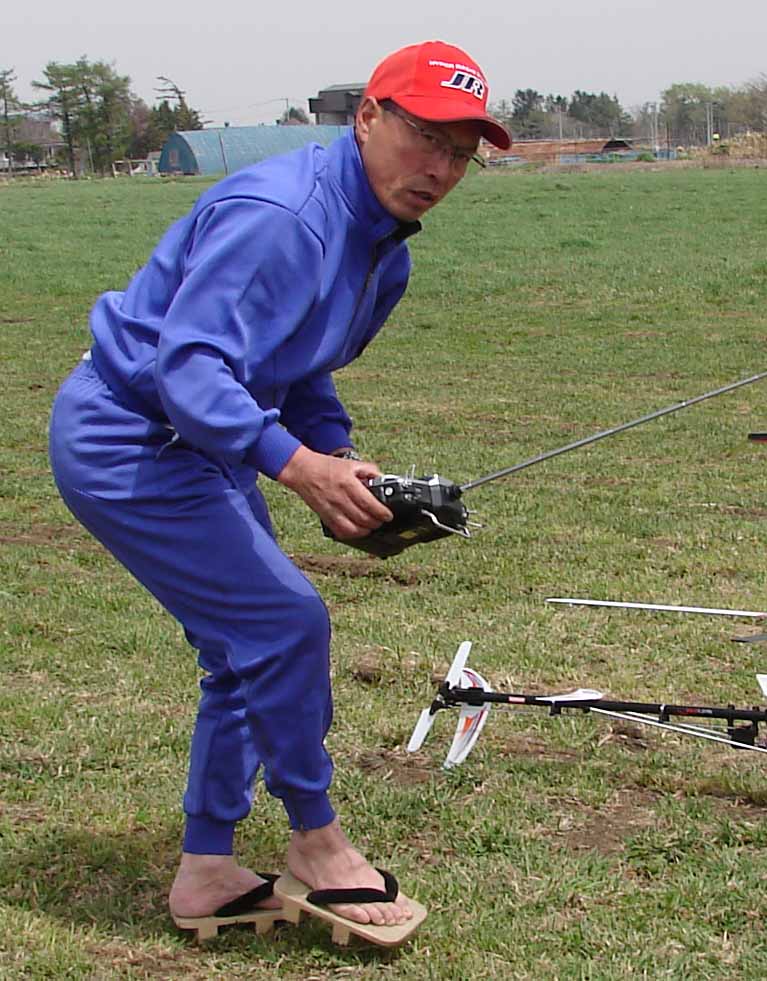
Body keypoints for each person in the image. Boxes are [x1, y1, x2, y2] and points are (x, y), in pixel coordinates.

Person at [47, 40, 511, 944]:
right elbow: (189, 367)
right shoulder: (283, 217)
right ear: (367, 117)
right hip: (131, 438)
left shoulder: (382, 248)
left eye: (462, 154)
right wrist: (297, 468)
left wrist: (336, 456)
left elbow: (296, 364)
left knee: (247, 645)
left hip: (204, 438)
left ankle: (206, 870)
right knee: (285, 624)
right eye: (425, 137)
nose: (441, 169)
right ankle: (316, 840)